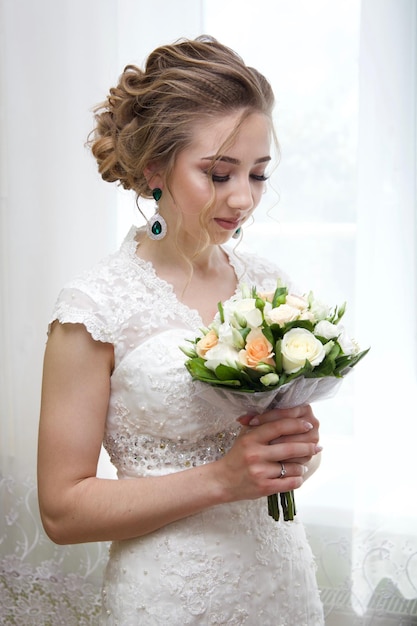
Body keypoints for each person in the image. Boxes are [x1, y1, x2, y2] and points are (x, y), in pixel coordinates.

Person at [37, 35, 324, 625]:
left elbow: (271, 457)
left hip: (282, 585)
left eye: (258, 173)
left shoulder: (269, 285)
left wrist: (294, 454)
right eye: (219, 173)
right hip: (168, 598)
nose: (243, 197)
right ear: (155, 170)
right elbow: (62, 513)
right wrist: (223, 478)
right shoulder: (93, 306)